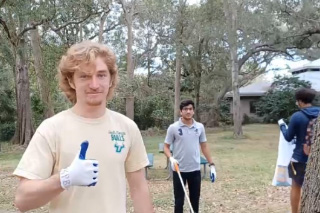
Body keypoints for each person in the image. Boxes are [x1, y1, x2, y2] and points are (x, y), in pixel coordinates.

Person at [13, 41, 154, 213]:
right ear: (71, 81)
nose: (94, 84)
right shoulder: (51, 129)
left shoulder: (127, 128)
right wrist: (65, 179)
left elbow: (139, 189)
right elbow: (22, 200)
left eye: (101, 75)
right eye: (84, 76)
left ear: (111, 80)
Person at [164, 99, 216, 213]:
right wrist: (171, 158)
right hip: (179, 169)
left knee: (195, 201)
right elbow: (166, 147)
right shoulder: (173, 128)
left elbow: (204, 146)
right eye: (185, 109)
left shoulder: (199, 127)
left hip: (195, 169)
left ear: (193, 111)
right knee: (179, 201)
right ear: (180, 111)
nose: (188, 111)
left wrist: (211, 164)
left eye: (190, 109)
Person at [278, 88, 320, 213]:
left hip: (300, 158)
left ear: (300, 101)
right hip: (317, 159)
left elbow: (288, 137)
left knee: (296, 187)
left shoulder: (297, 116)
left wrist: (281, 125)